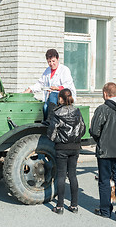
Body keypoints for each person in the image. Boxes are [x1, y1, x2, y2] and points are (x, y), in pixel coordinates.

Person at [47, 88, 86, 214]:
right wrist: (75, 140)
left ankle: (60, 206)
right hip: (75, 147)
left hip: (61, 148)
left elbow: (51, 133)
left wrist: (57, 140)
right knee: (73, 175)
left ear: (61, 99)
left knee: (61, 176)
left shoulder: (57, 113)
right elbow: (83, 128)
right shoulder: (77, 111)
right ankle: (74, 206)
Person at [24, 49, 76, 120]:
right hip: (51, 101)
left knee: (53, 95)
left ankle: (51, 121)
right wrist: (29, 90)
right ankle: (47, 123)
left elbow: (68, 86)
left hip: (64, 99)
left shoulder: (64, 70)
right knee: (45, 107)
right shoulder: (47, 71)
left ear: (58, 59)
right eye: (49, 61)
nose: (51, 63)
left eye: (53, 61)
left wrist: (56, 88)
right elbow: (40, 84)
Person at [89, 82, 116, 218]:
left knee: (104, 181)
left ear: (105, 94)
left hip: (105, 152)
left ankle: (105, 211)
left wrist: (99, 140)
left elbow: (94, 130)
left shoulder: (102, 109)